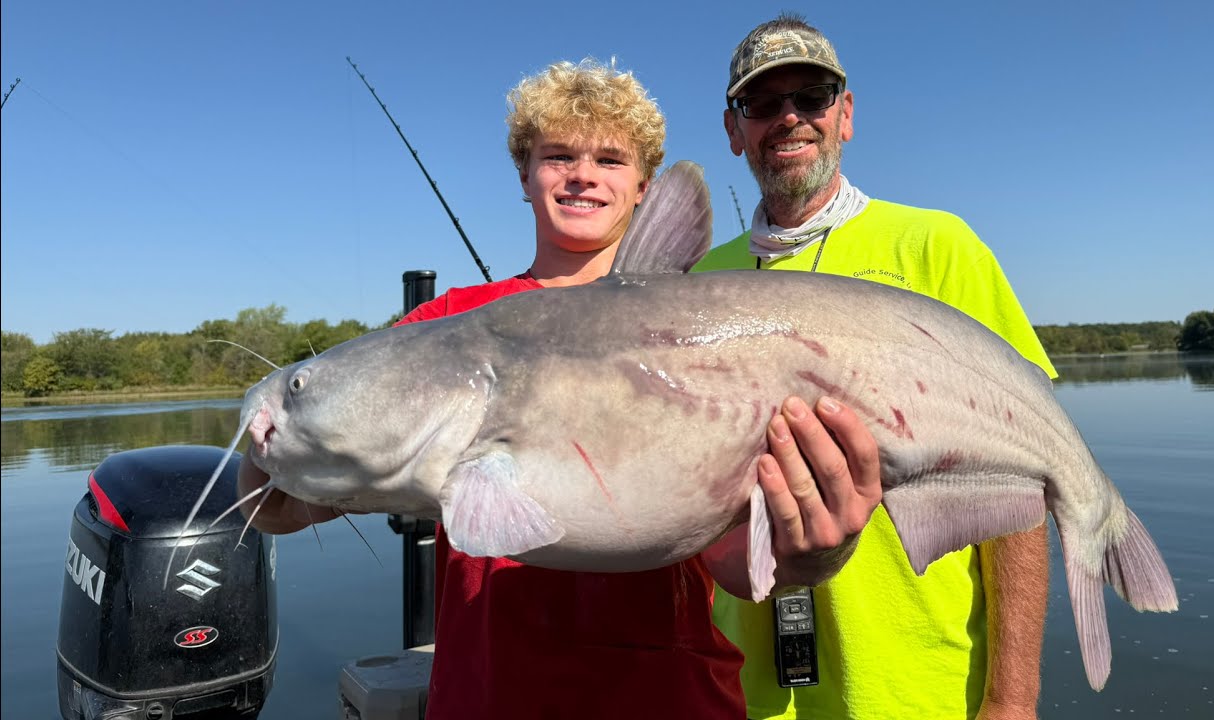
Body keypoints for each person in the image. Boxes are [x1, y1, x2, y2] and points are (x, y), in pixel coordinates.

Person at [238, 58, 883, 720]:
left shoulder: (720, 332)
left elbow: (731, 569)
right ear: (524, 174)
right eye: (557, 156)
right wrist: (280, 455)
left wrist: (813, 551)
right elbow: (279, 509)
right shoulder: (445, 325)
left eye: (609, 159)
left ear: (643, 186)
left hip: (673, 699)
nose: (582, 175)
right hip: (491, 698)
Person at [694, 14, 1059, 720]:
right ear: (733, 129)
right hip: (746, 694)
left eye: (813, 96)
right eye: (763, 104)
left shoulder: (938, 248)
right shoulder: (703, 278)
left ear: (847, 114)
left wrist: (1012, 699)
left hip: (921, 688)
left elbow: (1020, 489)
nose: (790, 118)